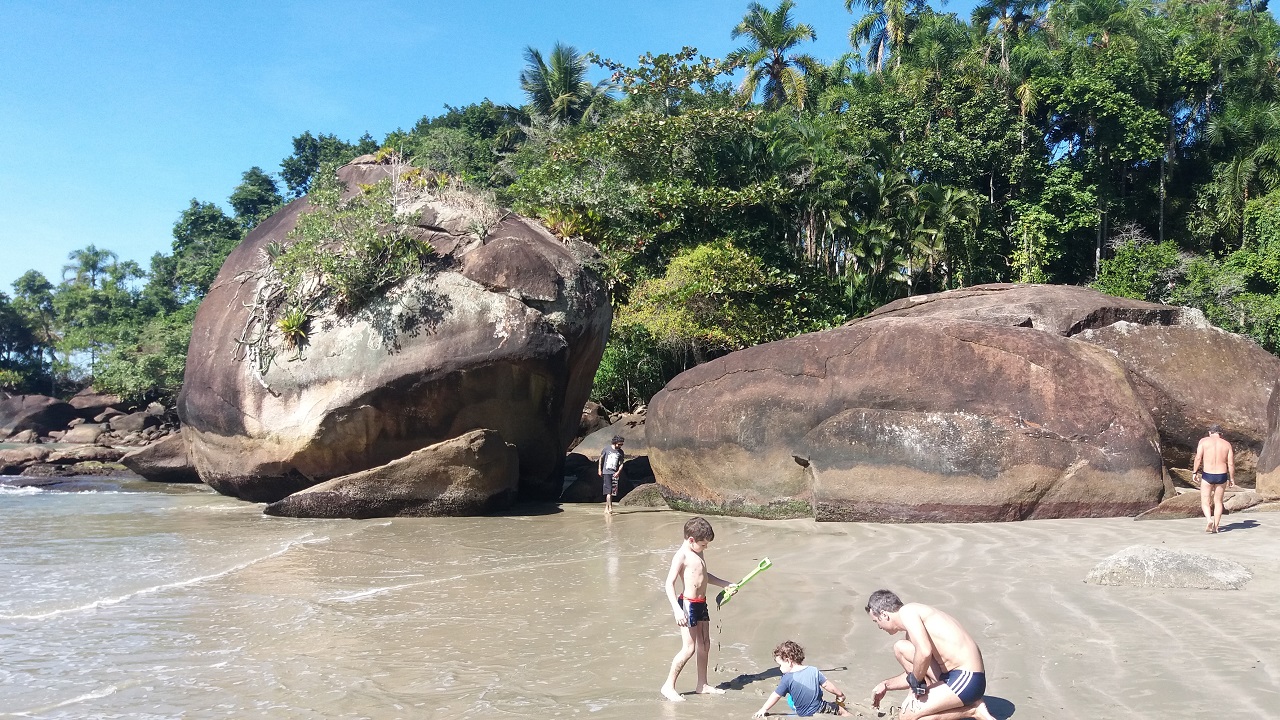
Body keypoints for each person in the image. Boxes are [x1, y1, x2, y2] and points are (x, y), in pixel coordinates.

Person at [866, 590, 995, 720]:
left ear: (884, 615)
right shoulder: (913, 626)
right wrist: (886, 685)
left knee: (907, 716)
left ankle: (973, 710)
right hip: (950, 675)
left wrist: (914, 691)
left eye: (876, 621)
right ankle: (934, 700)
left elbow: (924, 652)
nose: (879, 627)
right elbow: (918, 670)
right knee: (901, 648)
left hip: (968, 677)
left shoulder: (908, 612)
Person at [660, 516, 736, 701]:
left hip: (701, 603)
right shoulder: (682, 555)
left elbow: (703, 574)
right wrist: (677, 611)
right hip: (687, 604)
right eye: (703, 544)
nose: (706, 547)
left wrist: (725, 584)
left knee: (705, 644)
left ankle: (702, 684)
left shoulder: (698, 551)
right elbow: (669, 584)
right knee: (689, 648)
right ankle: (668, 686)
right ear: (691, 540)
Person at [752, 640, 850, 717]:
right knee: (842, 711)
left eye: (780, 665)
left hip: (802, 712)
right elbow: (827, 685)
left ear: (788, 661)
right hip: (820, 708)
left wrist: (764, 709)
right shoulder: (813, 670)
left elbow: (776, 695)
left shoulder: (786, 678)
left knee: (791, 697)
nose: (780, 668)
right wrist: (840, 695)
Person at [1193, 424, 1236, 533]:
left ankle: (1209, 519)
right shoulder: (1227, 444)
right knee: (1218, 502)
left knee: (1205, 500)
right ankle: (1216, 527)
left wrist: (1195, 472)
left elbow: (1198, 458)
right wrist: (1232, 478)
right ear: (1220, 434)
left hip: (1208, 474)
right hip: (1222, 475)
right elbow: (1230, 464)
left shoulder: (1203, 441)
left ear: (1209, 432)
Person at [598, 435, 625, 515]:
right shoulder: (606, 449)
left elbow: (621, 464)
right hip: (606, 473)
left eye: (621, 444)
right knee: (608, 492)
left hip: (615, 474)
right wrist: (599, 469)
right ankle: (610, 509)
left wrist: (618, 472)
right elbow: (601, 459)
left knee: (612, 492)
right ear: (615, 442)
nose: (620, 446)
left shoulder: (620, 452)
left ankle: (607, 508)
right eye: (619, 444)